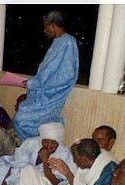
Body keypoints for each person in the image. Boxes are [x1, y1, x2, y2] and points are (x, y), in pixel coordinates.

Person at [13, 10, 79, 142]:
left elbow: (65, 76)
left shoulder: (68, 42)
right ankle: (33, 147)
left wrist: (36, 83)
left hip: (51, 96)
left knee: (21, 118)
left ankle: (35, 145)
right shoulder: (57, 42)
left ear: (52, 25)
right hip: (41, 93)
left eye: (45, 27)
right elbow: (47, 71)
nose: (44, 31)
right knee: (22, 112)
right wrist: (33, 82)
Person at [0, 122, 76, 185]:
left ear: (59, 142)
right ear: (41, 139)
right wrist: (4, 182)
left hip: (43, 181)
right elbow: (16, 165)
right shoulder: (30, 143)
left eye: (53, 143)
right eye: (45, 141)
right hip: (22, 176)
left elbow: (55, 184)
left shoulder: (64, 153)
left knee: (29, 170)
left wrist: (45, 161)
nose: (49, 146)